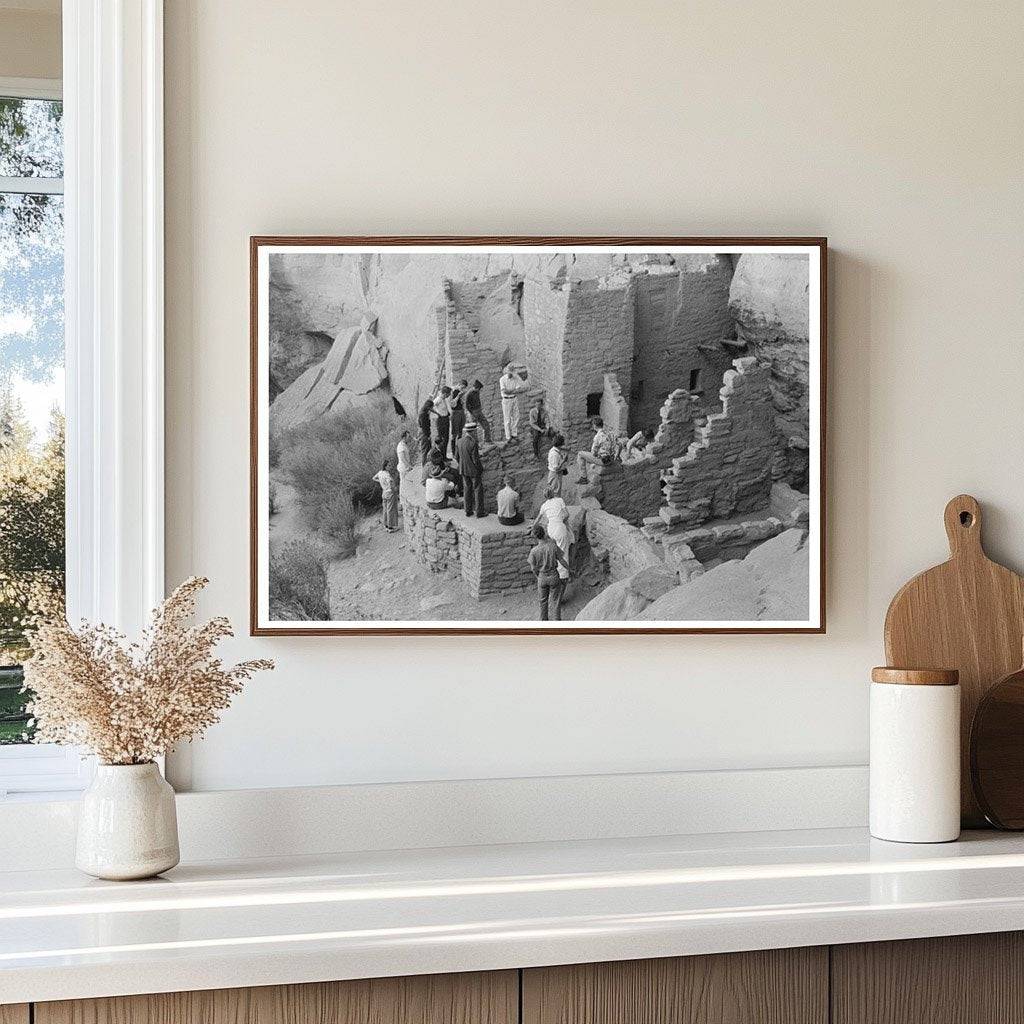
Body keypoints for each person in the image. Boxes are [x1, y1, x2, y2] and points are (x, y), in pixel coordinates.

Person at [527, 523, 569, 621]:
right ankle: (557, 622)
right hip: (554, 576)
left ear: (535, 537)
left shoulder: (534, 551)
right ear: (544, 533)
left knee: (543, 601)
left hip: (542, 577)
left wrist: (538, 576)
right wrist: (569, 569)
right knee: (555, 601)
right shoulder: (553, 546)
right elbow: (562, 560)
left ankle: (544, 622)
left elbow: (533, 568)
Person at [456, 421, 486, 518]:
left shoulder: (459, 441)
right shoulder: (473, 443)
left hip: (463, 469)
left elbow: (457, 457)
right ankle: (479, 512)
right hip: (473, 470)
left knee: (467, 489)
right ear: (472, 432)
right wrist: (480, 469)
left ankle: (468, 510)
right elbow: (475, 460)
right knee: (477, 490)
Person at [575, 416, 615, 482]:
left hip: (604, 460)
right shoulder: (608, 433)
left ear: (595, 426)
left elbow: (593, 453)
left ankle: (583, 477)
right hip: (611, 459)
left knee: (580, 454)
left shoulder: (597, 436)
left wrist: (591, 460)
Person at [499, 363, 529, 440]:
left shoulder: (515, 378)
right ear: (507, 372)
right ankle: (508, 436)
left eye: (512, 373)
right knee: (507, 419)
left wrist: (512, 391)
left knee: (516, 416)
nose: (511, 374)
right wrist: (513, 391)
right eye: (510, 373)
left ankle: (514, 434)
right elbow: (505, 391)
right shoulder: (502, 379)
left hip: (514, 398)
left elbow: (519, 389)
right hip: (506, 400)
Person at [373, 458, 399, 532]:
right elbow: (390, 482)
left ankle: (386, 525)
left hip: (384, 492)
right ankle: (390, 527)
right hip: (390, 492)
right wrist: (394, 489)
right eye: (389, 465)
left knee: (385, 509)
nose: (390, 466)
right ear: (386, 466)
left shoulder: (380, 472)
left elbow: (374, 478)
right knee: (390, 510)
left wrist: (381, 482)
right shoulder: (387, 474)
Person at [433, 385, 452, 459]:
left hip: (446, 419)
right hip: (441, 420)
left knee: (446, 438)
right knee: (441, 440)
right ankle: (440, 457)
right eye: (448, 394)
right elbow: (430, 406)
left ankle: (444, 456)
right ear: (445, 393)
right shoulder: (438, 399)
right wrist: (437, 413)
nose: (449, 395)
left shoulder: (444, 399)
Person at [417, 398, 434, 483]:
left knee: (427, 450)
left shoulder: (423, 411)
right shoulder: (423, 414)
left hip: (424, 433)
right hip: (424, 434)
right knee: (425, 451)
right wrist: (428, 436)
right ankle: (424, 470)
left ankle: (427, 467)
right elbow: (424, 427)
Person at [546, 432, 568, 496]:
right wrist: (563, 460)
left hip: (556, 474)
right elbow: (556, 468)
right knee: (555, 492)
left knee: (555, 490)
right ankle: (556, 504)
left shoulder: (555, 450)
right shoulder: (554, 454)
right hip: (555, 475)